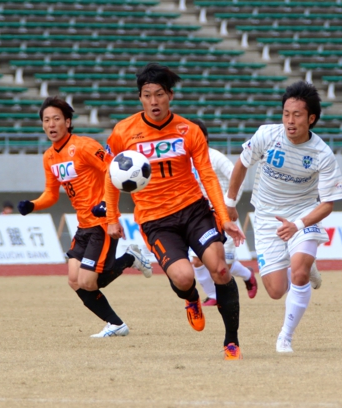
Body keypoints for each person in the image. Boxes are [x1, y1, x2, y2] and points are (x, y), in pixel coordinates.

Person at [104, 63, 246, 360]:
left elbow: (207, 176)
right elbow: (111, 174)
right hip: (156, 221)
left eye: (159, 94)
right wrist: (112, 218)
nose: (153, 101)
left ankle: (231, 341)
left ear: (170, 95)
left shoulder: (188, 130)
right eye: (147, 95)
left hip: (195, 211)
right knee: (183, 278)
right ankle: (191, 298)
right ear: (140, 98)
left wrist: (224, 218)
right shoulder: (123, 132)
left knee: (220, 269)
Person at [225, 81, 342, 353]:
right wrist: (230, 203)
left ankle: (285, 337)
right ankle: (305, 265)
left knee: (299, 273)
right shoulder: (266, 135)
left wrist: (298, 225)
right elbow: (242, 164)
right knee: (276, 290)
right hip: (267, 217)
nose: (290, 121)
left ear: (311, 118)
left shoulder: (322, 154)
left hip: (302, 215)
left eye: (297, 115)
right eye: (286, 114)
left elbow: (328, 203)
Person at [18, 96, 153, 338]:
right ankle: (116, 324)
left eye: (56, 119)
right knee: (74, 280)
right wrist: (33, 205)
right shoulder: (49, 157)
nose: (51, 124)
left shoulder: (85, 146)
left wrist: (107, 208)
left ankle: (129, 258)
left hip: (102, 223)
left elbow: (113, 171)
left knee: (88, 282)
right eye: (46, 120)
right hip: (82, 226)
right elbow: (51, 194)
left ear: (68, 122)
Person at [187, 119, 258, 306]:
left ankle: (248, 275)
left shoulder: (216, 157)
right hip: (198, 219)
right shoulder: (185, 160)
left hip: (222, 216)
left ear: (204, 137)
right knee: (197, 260)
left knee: (224, 265)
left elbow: (238, 179)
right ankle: (213, 295)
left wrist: (228, 204)